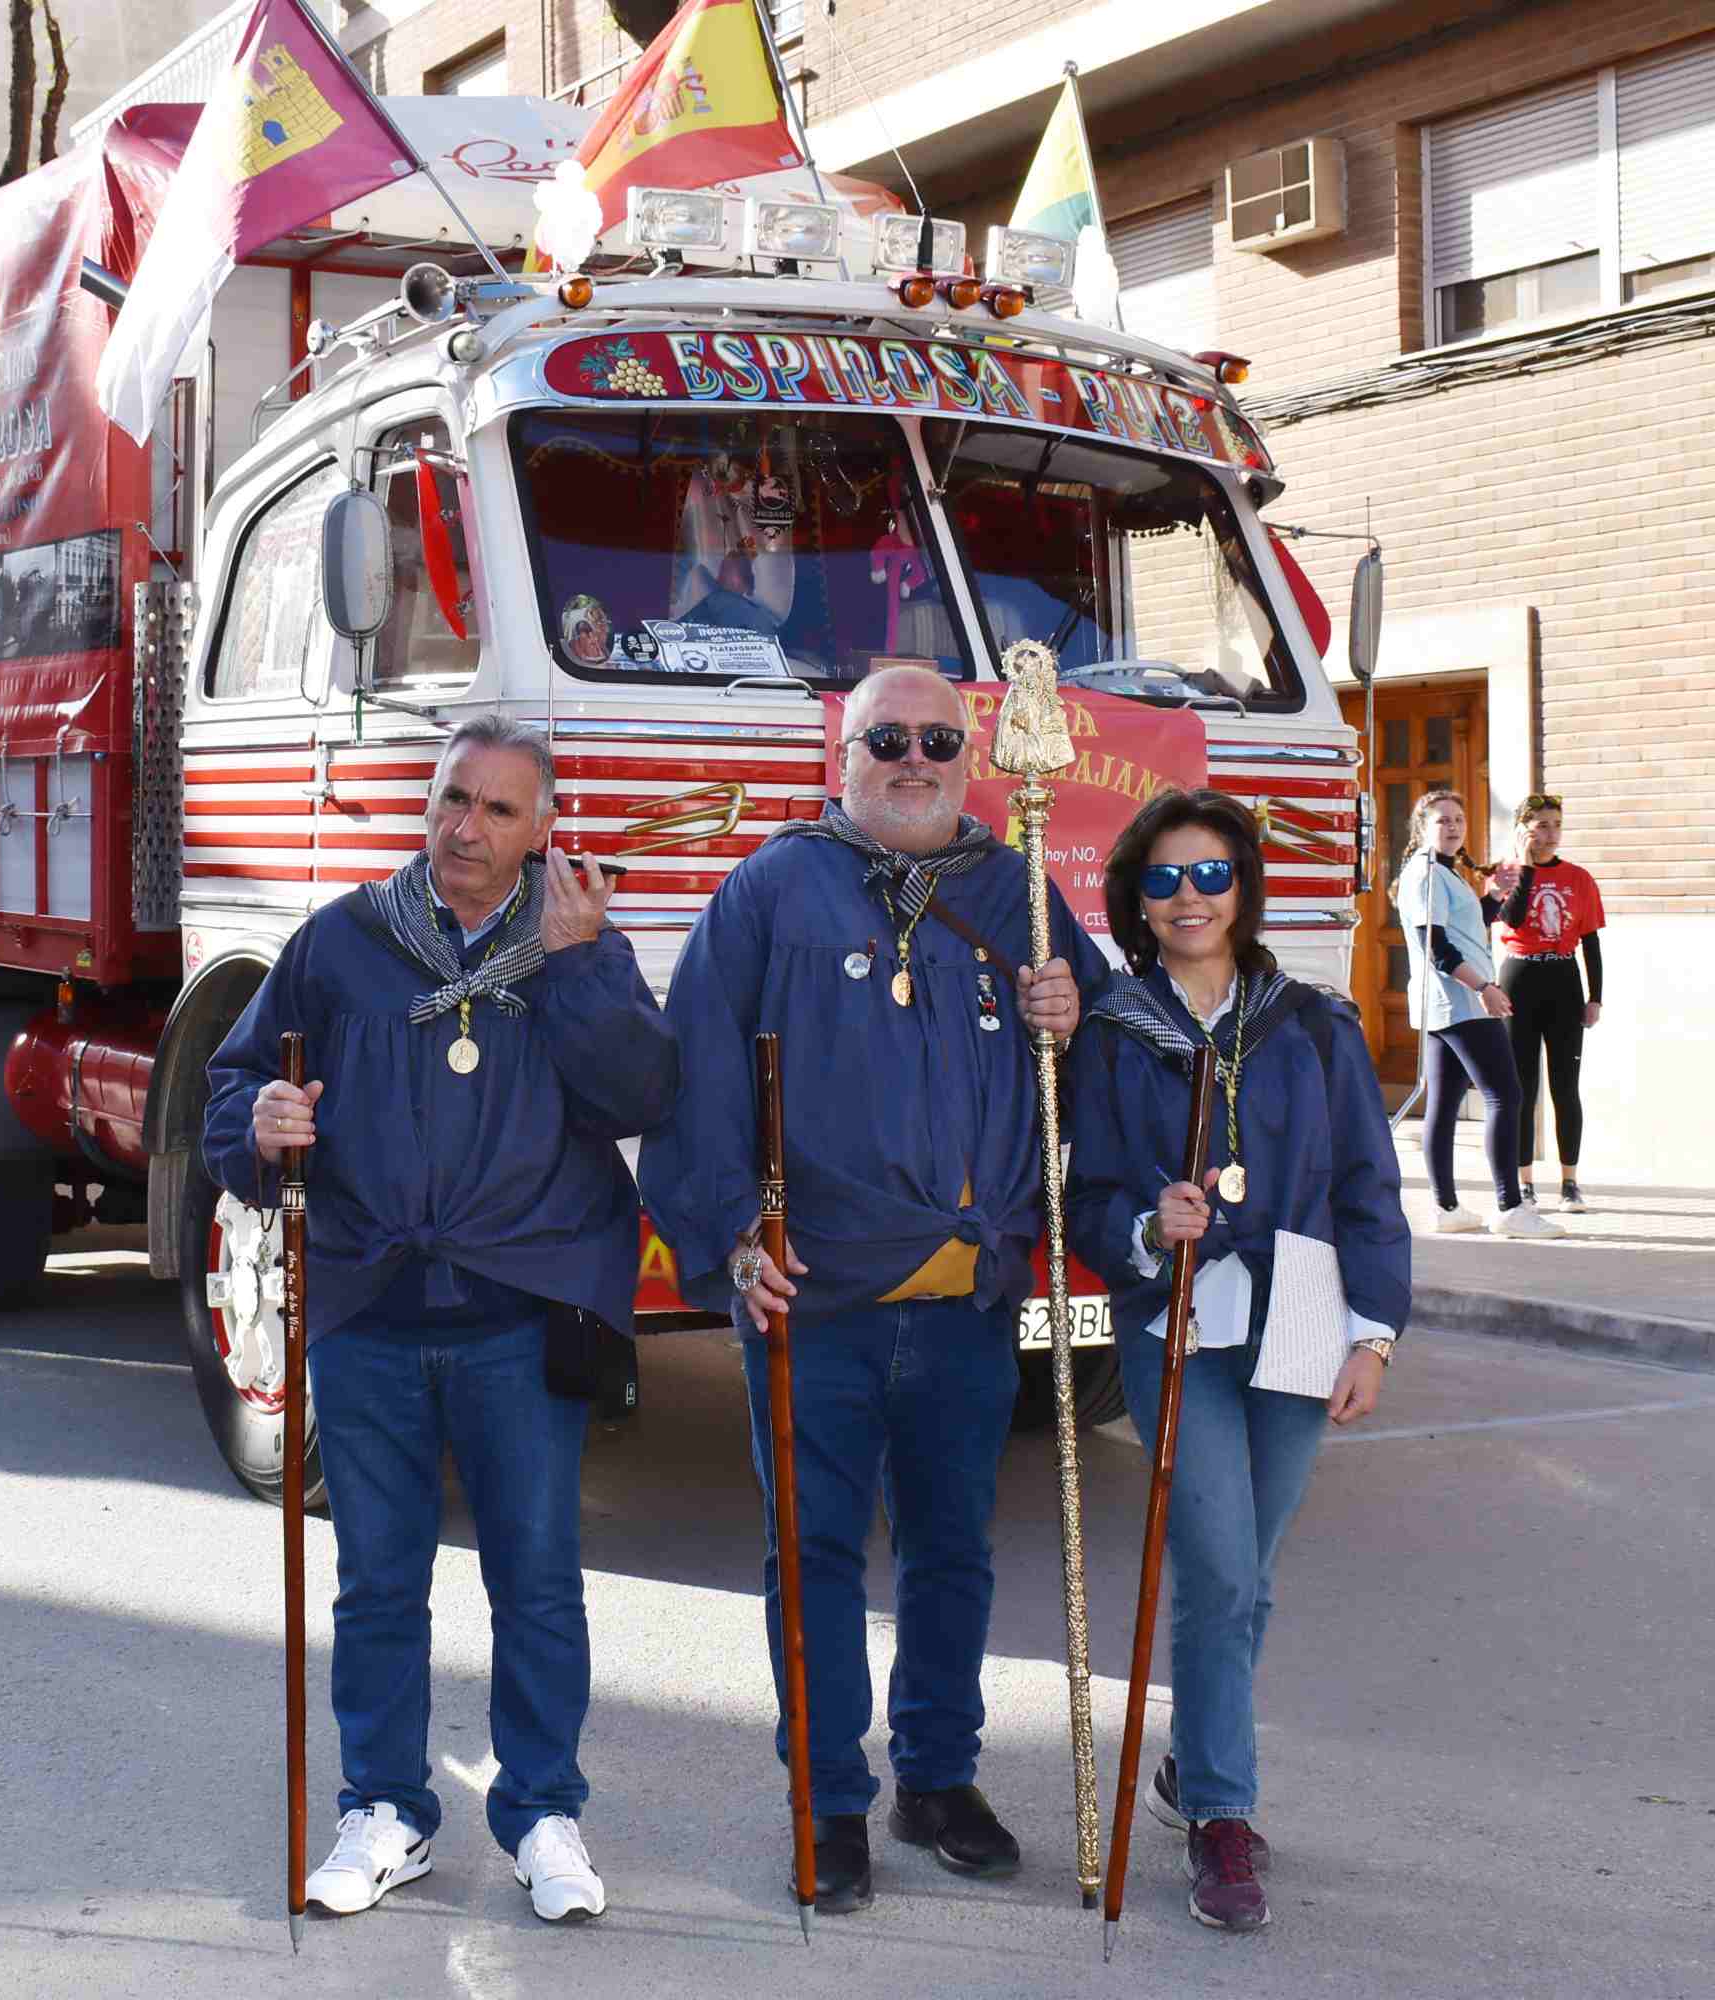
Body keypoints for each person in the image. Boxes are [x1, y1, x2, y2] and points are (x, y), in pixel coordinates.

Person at [201, 715, 677, 1926]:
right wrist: (257, 1122)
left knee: (536, 1578)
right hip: (370, 1303)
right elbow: (236, 1081)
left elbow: (640, 1093)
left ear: (541, 829)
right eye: (452, 797)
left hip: (521, 1313)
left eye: (498, 809)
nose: (465, 826)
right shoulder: (344, 941)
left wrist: (579, 961)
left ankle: (542, 1812)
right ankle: (387, 1807)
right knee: (376, 1580)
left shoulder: (572, 942)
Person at [639, 663, 1098, 1914]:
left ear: (971, 757)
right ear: (839, 755)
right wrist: (733, 1226)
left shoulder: (1021, 890)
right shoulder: (773, 887)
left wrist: (1074, 1009)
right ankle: (826, 1795)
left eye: (937, 739)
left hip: (966, 1301)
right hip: (815, 1297)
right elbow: (696, 1073)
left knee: (954, 1554)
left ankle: (936, 1779)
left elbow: (1115, 1053)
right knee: (818, 1555)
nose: (913, 755)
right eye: (884, 736)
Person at [1065, 789, 1409, 1932]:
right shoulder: (1117, 1034)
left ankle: (1188, 1763)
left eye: (1209, 874)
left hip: (1305, 1309)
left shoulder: (1312, 1024)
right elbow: (1083, 1199)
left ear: (1244, 887)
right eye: (1162, 880)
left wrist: (1375, 1331)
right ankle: (1219, 1812)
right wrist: (1140, 1222)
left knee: (1247, 1573)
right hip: (1181, 1324)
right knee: (1217, 1567)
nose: (1187, 898)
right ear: (1136, 901)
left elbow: (1365, 1182)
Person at [1392, 790, 1558, 1238]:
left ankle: (1447, 1208)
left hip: (1442, 1006)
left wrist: (1492, 897)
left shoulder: (1443, 873)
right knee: (1506, 1095)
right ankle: (1510, 1207)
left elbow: (1463, 928)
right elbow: (1436, 946)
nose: (1453, 826)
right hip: (1461, 1003)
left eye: (1459, 819)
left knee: (1444, 1105)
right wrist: (1483, 987)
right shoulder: (1426, 874)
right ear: (1422, 828)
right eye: (1443, 820)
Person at [1488, 793, 1608, 1212]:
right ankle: (1524, 1183)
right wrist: (1522, 866)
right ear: (1523, 829)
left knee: (1565, 1085)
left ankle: (1570, 1182)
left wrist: (1596, 997)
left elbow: (1591, 940)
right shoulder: (1504, 874)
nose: (1550, 833)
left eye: (1555, 824)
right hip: (1519, 977)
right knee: (1522, 1087)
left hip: (1562, 979)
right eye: (1540, 825)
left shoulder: (1579, 878)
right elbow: (1515, 918)